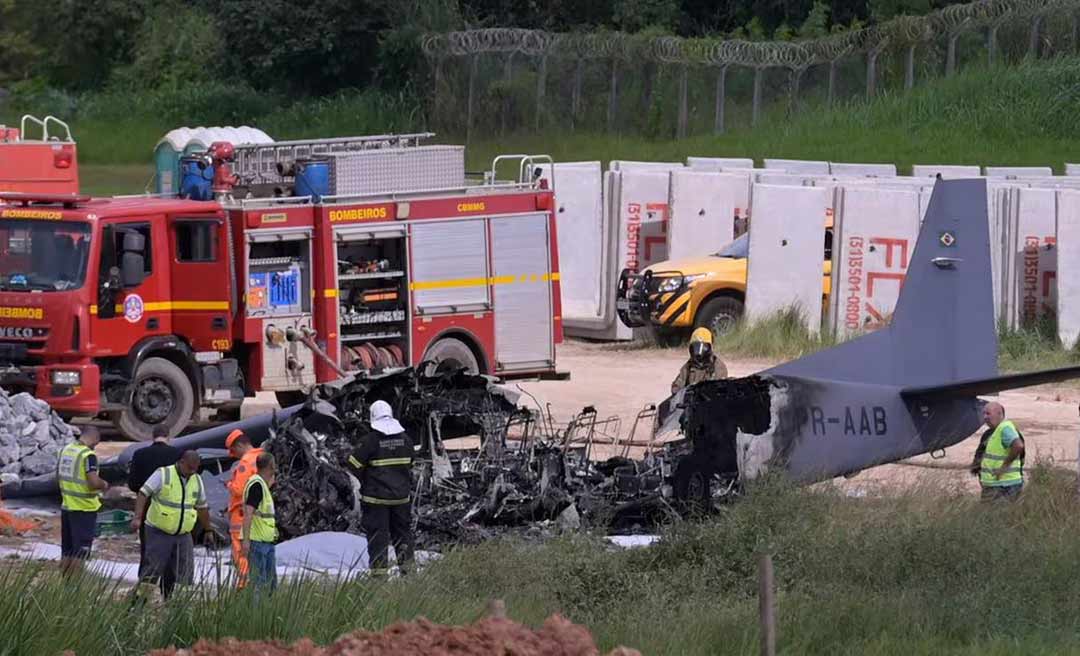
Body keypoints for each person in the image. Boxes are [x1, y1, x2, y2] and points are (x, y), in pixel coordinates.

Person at [347, 400, 415, 576]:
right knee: (403, 536)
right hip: (401, 500)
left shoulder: (369, 442)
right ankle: (409, 574)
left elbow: (353, 466)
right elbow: (411, 465)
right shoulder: (406, 441)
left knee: (378, 539)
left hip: (376, 501)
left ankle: (379, 577)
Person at [131, 451, 212, 598]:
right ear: (181, 462)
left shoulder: (196, 479)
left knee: (183, 570)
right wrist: (137, 517)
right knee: (152, 569)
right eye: (189, 468)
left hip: (183, 534)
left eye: (195, 469)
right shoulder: (163, 474)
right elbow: (143, 493)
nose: (192, 472)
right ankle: (138, 604)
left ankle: (173, 603)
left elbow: (202, 507)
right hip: (159, 531)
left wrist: (208, 530)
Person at [127, 424, 181, 582]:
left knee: (148, 549)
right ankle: (167, 589)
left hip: (146, 506)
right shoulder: (177, 454)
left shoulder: (139, 454)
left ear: (153, 436)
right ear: (168, 436)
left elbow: (133, 484)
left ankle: (145, 585)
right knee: (170, 550)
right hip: (171, 509)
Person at [57, 426, 108, 576]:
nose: (95, 447)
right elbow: (93, 482)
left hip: (67, 506)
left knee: (67, 551)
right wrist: (104, 484)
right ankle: (75, 586)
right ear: (95, 438)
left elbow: (57, 476)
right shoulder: (88, 455)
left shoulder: (66, 450)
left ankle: (63, 584)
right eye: (96, 444)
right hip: (84, 509)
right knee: (80, 553)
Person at [225, 429, 263, 588]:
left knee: (240, 552)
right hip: (259, 514)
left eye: (234, 452)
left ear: (240, 445)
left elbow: (239, 489)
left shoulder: (246, 462)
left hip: (241, 514)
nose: (235, 456)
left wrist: (229, 484)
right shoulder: (263, 456)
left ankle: (243, 584)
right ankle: (258, 585)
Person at [241, 452, 278, 592]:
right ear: (271, 466)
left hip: (266, 541)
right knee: (259, 582)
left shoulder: (262, 485)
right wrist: (246, 541)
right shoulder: (256, 485)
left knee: (270, 582)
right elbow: (248, 513)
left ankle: (267, 606)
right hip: (257, 541)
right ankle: (256, 606)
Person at [975, 402, 1025, 502]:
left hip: (1004, 486)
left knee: (998, 511)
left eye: (988, 413)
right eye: (983, 414)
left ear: (999, 414)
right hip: (995, 485)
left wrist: (1003, 467)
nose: (985, 417)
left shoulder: (1005, 429)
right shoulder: (990, 433)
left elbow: (1018, 446)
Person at [671, 327, 728, 394]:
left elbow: (719, 391)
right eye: (695, 348)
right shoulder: (688, 366)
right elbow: (676, 386)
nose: (698, 352)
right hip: (691, 399)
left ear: (709, 348)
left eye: (703, 348)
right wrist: (684, 392)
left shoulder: (718, 367)